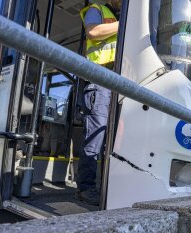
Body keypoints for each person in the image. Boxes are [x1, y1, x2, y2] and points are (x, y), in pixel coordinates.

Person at [76, 0, 121, 205]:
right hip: (99, 80)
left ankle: (106, 187)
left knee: (113, 140)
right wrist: (124, 25)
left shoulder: (122, 17)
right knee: (95, 137)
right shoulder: (96, 10)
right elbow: (93, 32)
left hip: (117, 82)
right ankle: (85, 189)